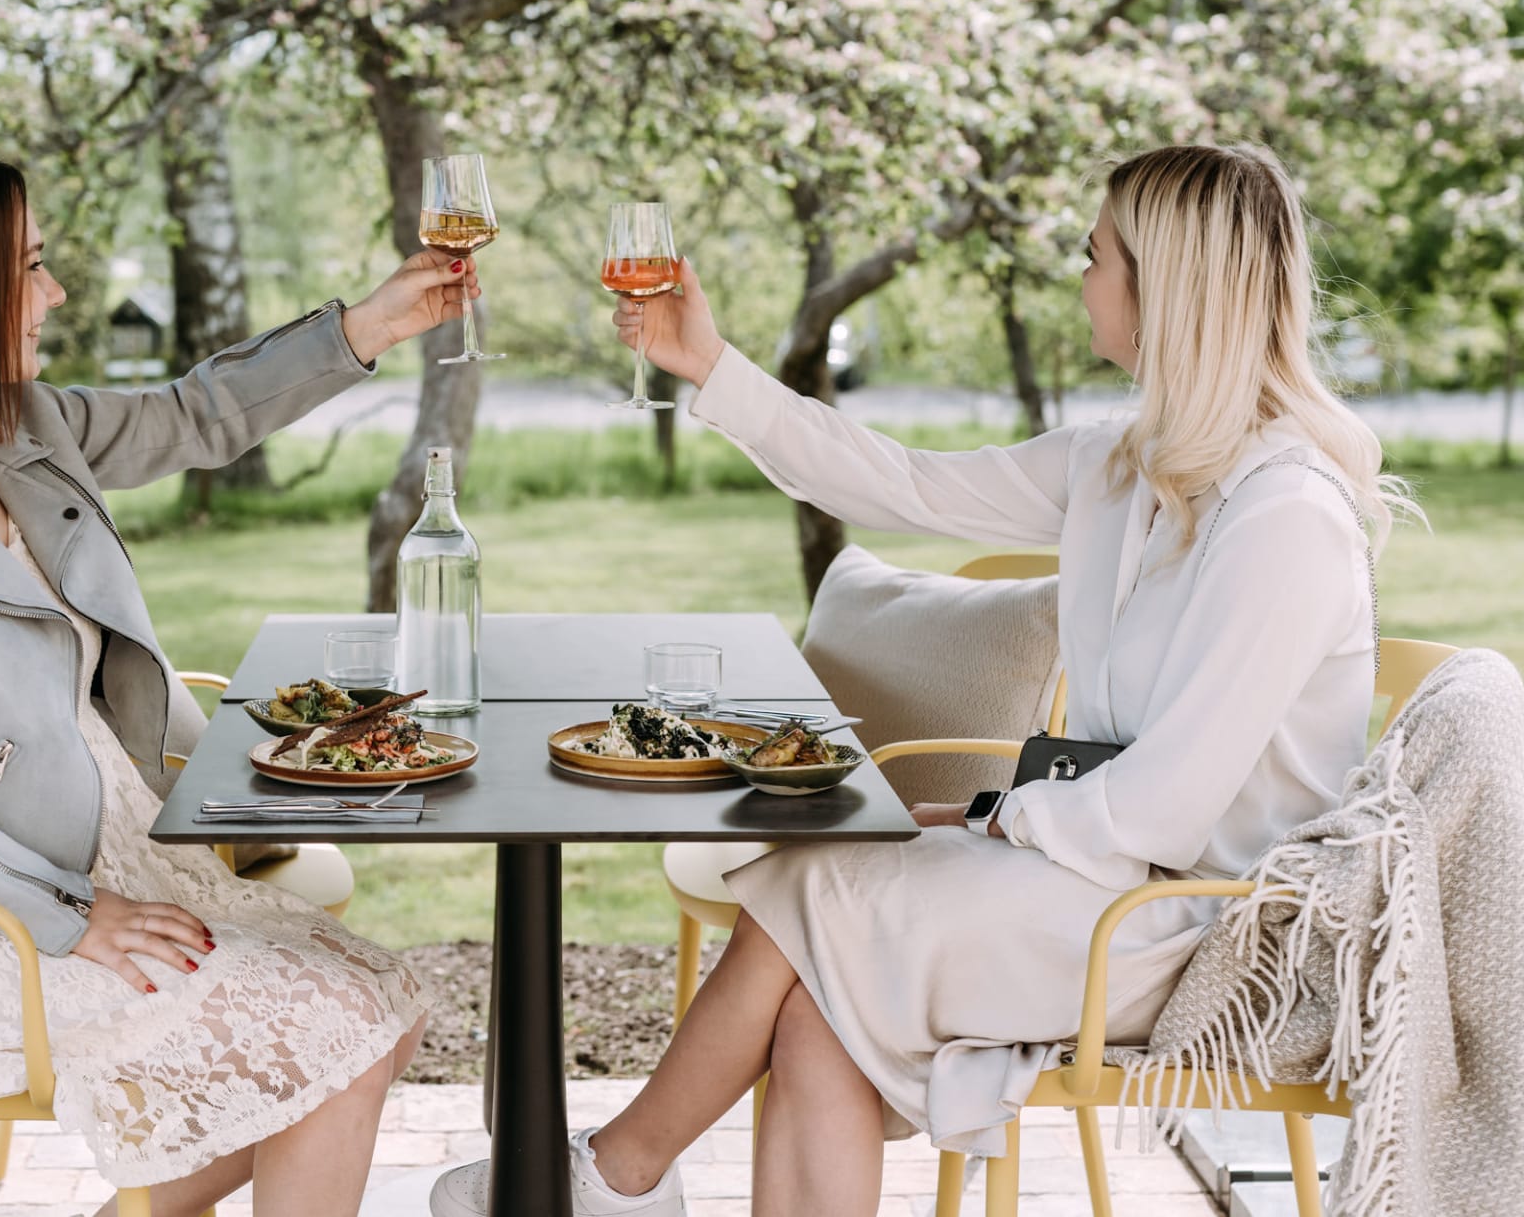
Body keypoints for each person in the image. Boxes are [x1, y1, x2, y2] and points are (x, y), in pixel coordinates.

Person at [431, 142, 1408, 1216]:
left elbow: (1172, 802)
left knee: (821, 881)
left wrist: (998, 819)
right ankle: (610, 1178)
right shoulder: (1126, 464)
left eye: (1097, 257)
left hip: (1199, 925)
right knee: (817, 1005)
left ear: (1165, 287)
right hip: (1102, 877)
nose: (1081, 278)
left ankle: (606, 1176)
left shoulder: (1285, 518)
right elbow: (900, 482)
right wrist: (711, 364)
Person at [0, 145, 479, 1216]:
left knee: (385, 999)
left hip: (92, 857)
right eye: (30, 266)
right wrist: (73, 913)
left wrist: (367, 326)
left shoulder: (18, 424)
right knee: (338, 1028)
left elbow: (194, 415)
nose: (52, 293)